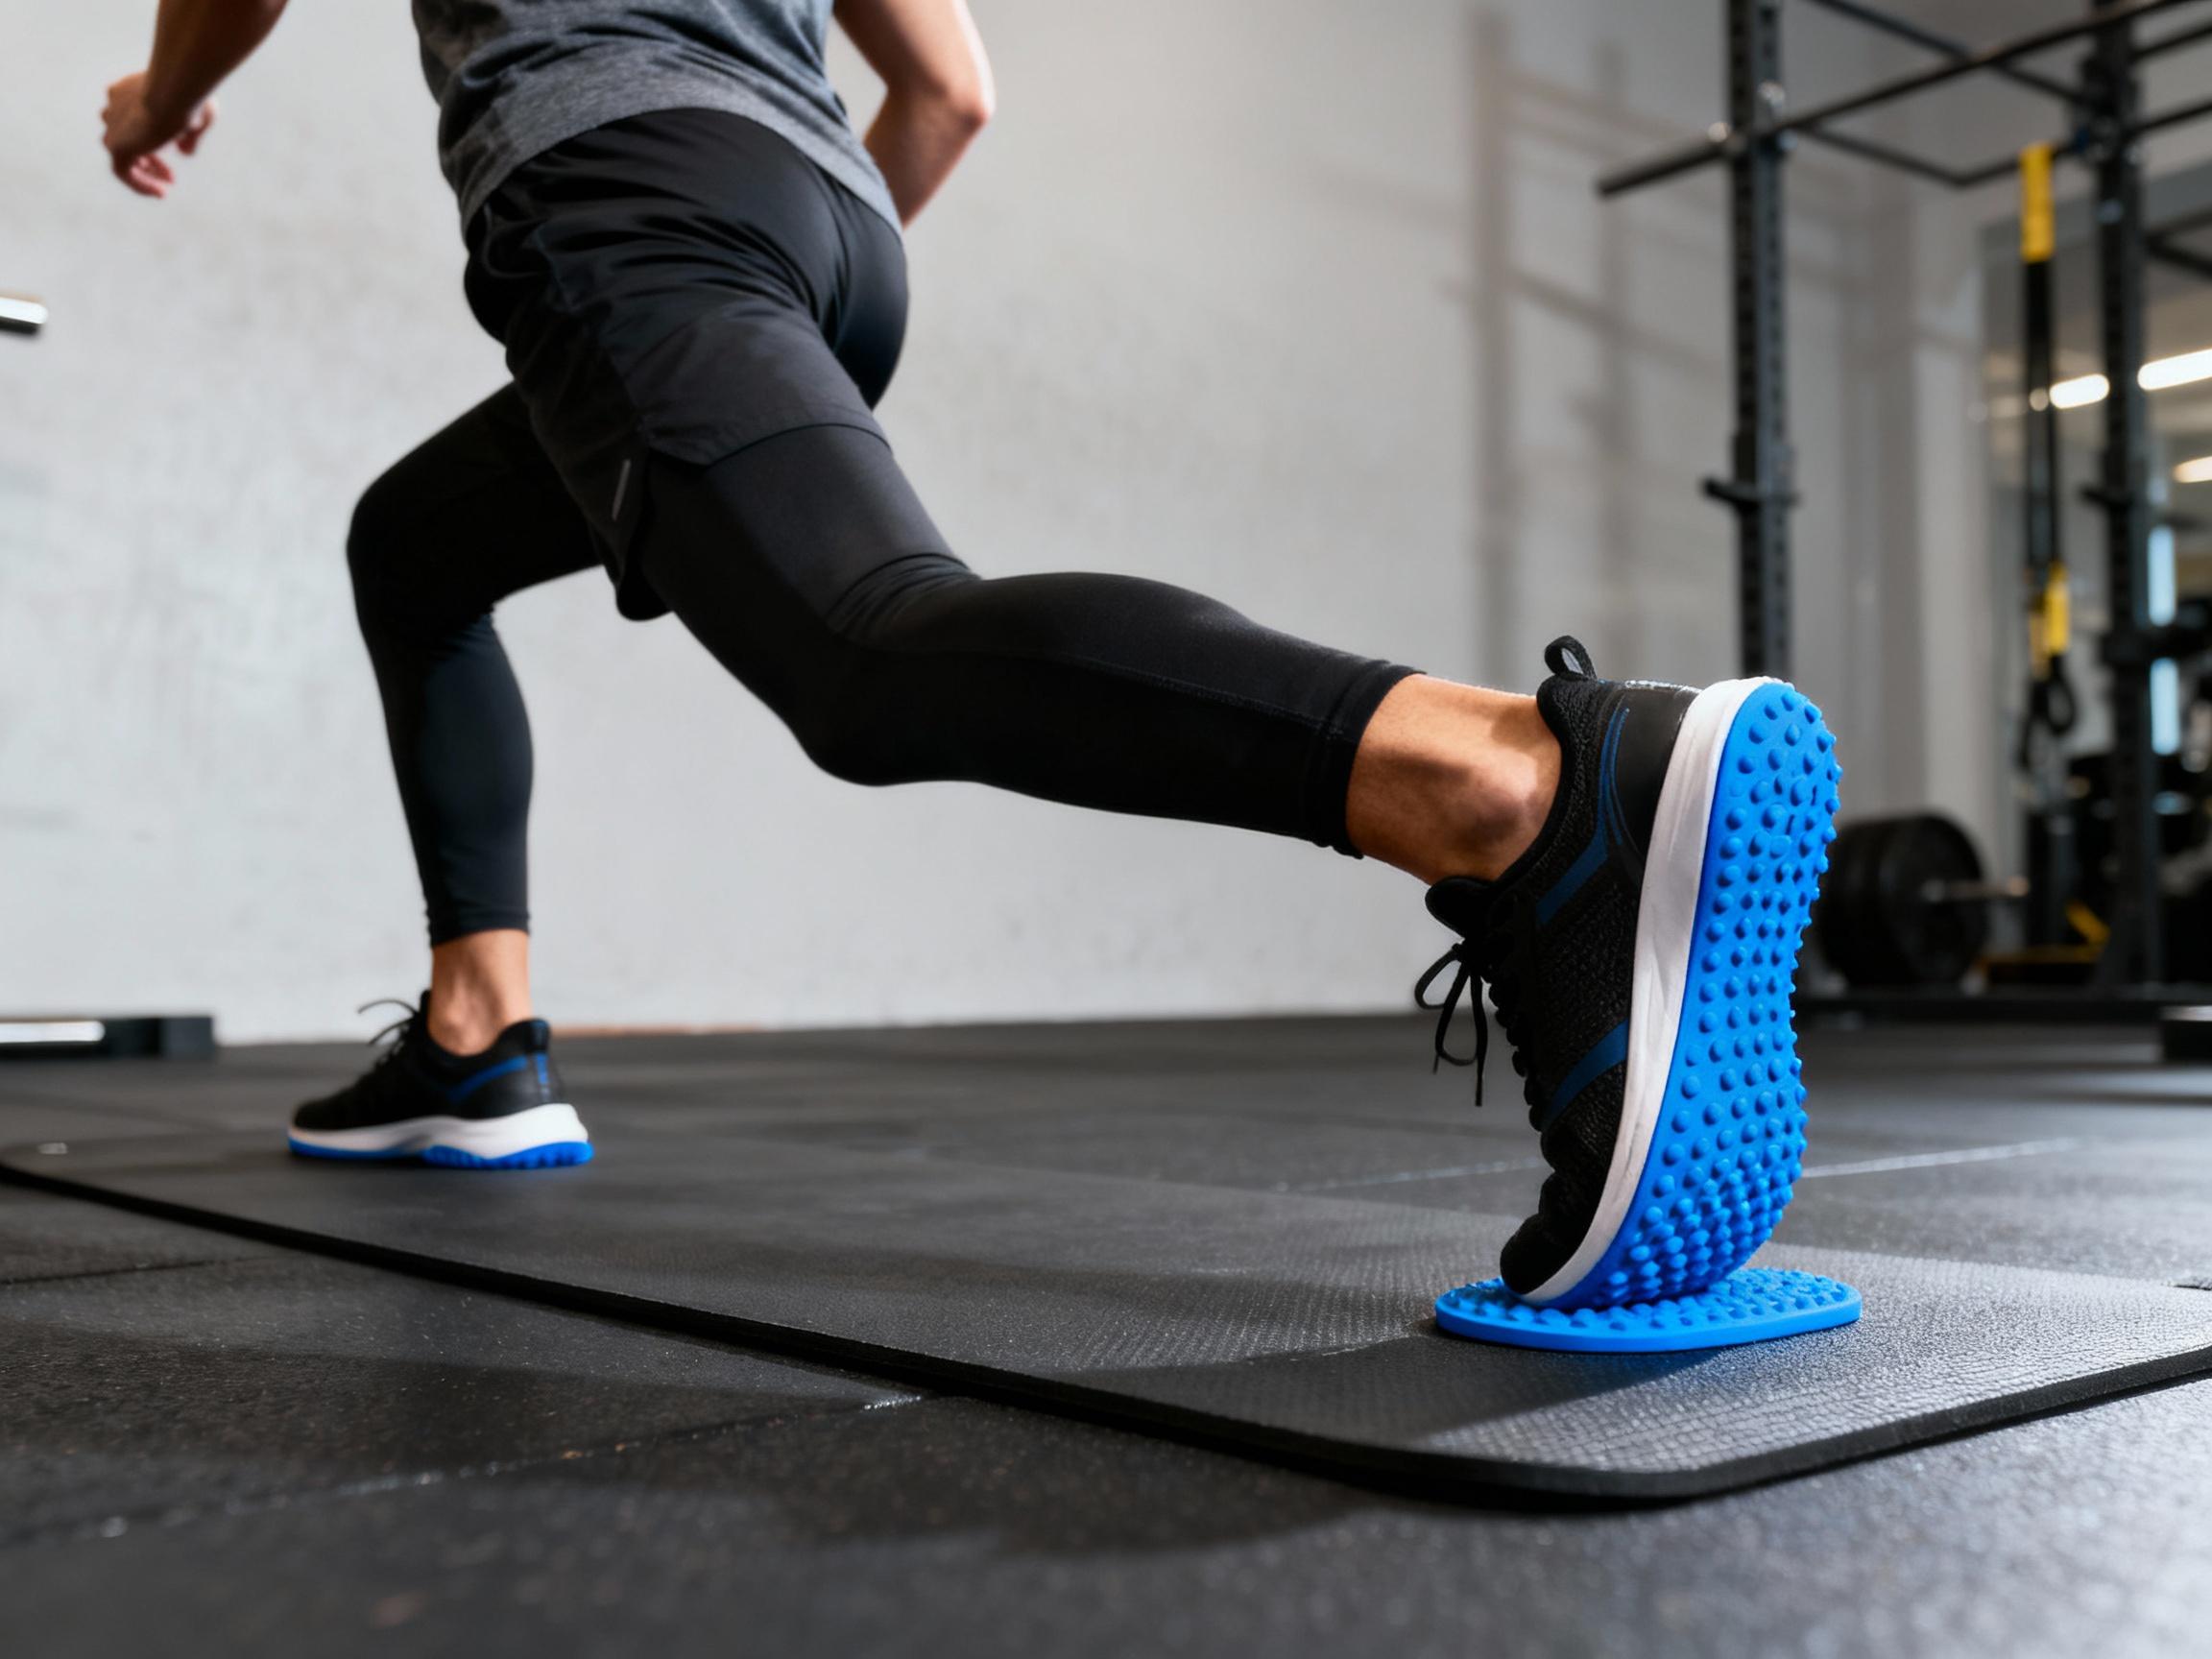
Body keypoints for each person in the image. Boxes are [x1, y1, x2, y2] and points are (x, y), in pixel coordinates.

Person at [100, 0, 1840, 1310]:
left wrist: (159, 98)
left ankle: (1522, 786)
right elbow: (950, 94)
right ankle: (481, 1038)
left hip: (620, 184)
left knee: (868, 659)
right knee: (412, 548)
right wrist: (778, 288)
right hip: (833, 226)